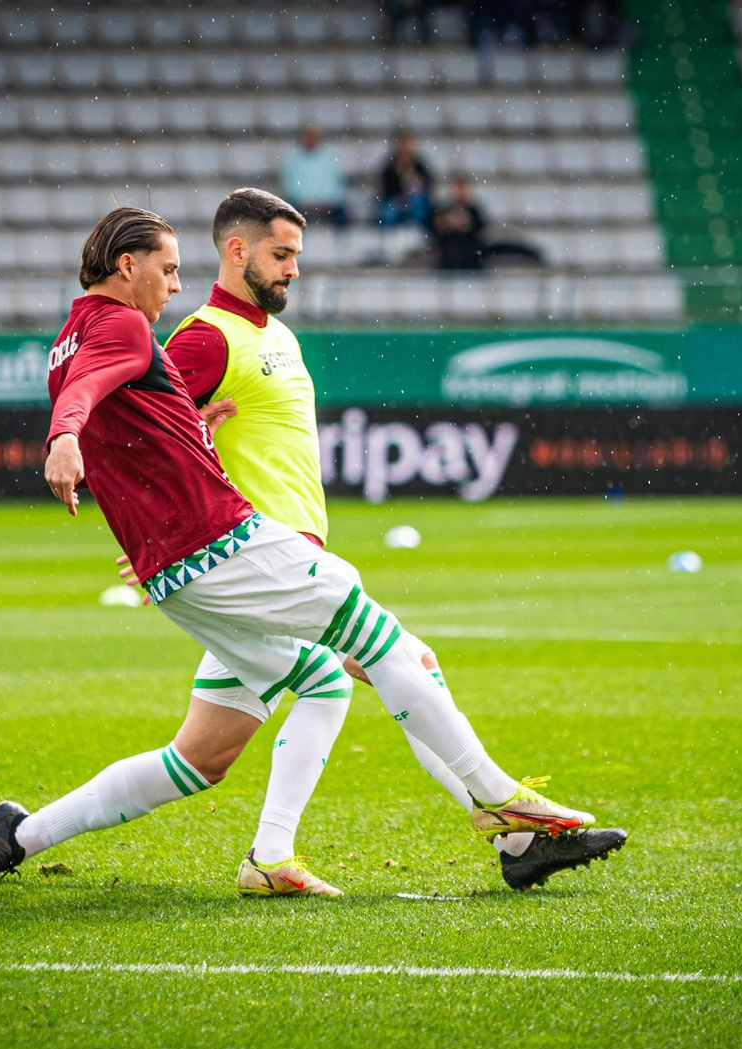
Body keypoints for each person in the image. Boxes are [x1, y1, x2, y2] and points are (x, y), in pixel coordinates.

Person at [0, 206, 612, 890]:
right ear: (130, 265)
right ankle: (502, 806)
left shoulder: (76, 335)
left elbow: (130, 422)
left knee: (234, 737)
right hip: (234, 548)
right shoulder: (159, 329)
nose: (175, 284)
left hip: (194, 565)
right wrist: (65, 438)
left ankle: (29, 836)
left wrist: (176, 453)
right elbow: (90, 398)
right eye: (167, 269)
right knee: (394, 649)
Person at [149, 188, 624, 892]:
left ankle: (39, 835)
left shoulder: (275, 335)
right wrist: (169, 531)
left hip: (284, 555)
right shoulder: (203, 337)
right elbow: (150, 440)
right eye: (282, 254)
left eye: (297, 255)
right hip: (258, 559)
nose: (294, 269)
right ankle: (510, 821)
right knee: (402, 661)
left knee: (203, 756)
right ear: (237, 249)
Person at [279, 125, 347, 228]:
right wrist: (304, 201)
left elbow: (336, 184)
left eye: (314, 136)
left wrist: (324, 201)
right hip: (301, 204)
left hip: (327, 203)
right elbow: (289, 184)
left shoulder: (328, 159)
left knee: (342, 213)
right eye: (308, 136)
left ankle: (341, 238)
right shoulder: (292, 160)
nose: (311, 139)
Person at [377, 133, 432, 228]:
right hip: (395, 200)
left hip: (414, 200)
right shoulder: (390, 166)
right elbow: (386, 186)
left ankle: (416, 229)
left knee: (419, 206)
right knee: (388, 211)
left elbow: (426, 183)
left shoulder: (418, 165)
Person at [432, 175, 487, 270]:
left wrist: (464, 224)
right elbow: (436, 231)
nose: (460, 193)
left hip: (470, 254)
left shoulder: (474, 210)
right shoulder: (443, 210)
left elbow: (479, 229)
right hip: (448, 254)